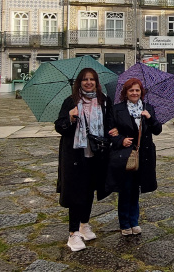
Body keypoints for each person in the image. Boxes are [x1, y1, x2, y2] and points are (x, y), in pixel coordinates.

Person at [55, 67, 113, 252]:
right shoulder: (71, 101)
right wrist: (70, 118)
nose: (89, 82)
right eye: (85, 79)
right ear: (79, 82)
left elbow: (109, 123)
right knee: (76, 193)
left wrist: (113, 131)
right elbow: (59, 127)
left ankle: (84, 224)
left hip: (96, 154)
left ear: (96, 82)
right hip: (75, 154)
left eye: (92, 79)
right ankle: (73, 234)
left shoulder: (104, 101)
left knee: (89, 191)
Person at [107, 78, 162, 236]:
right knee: (125, 189)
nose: (134, 93)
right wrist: (121, 140)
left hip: (144, 155)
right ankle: (124, 223)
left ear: (141, 92)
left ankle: (134, 221)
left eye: (137, 90)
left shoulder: (147, 108)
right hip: (125, 155)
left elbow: (157, 130)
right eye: (131, 90)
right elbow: (109, 131)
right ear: (125, 93)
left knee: (136, 189)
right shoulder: (117, 109)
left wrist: (149, 118)